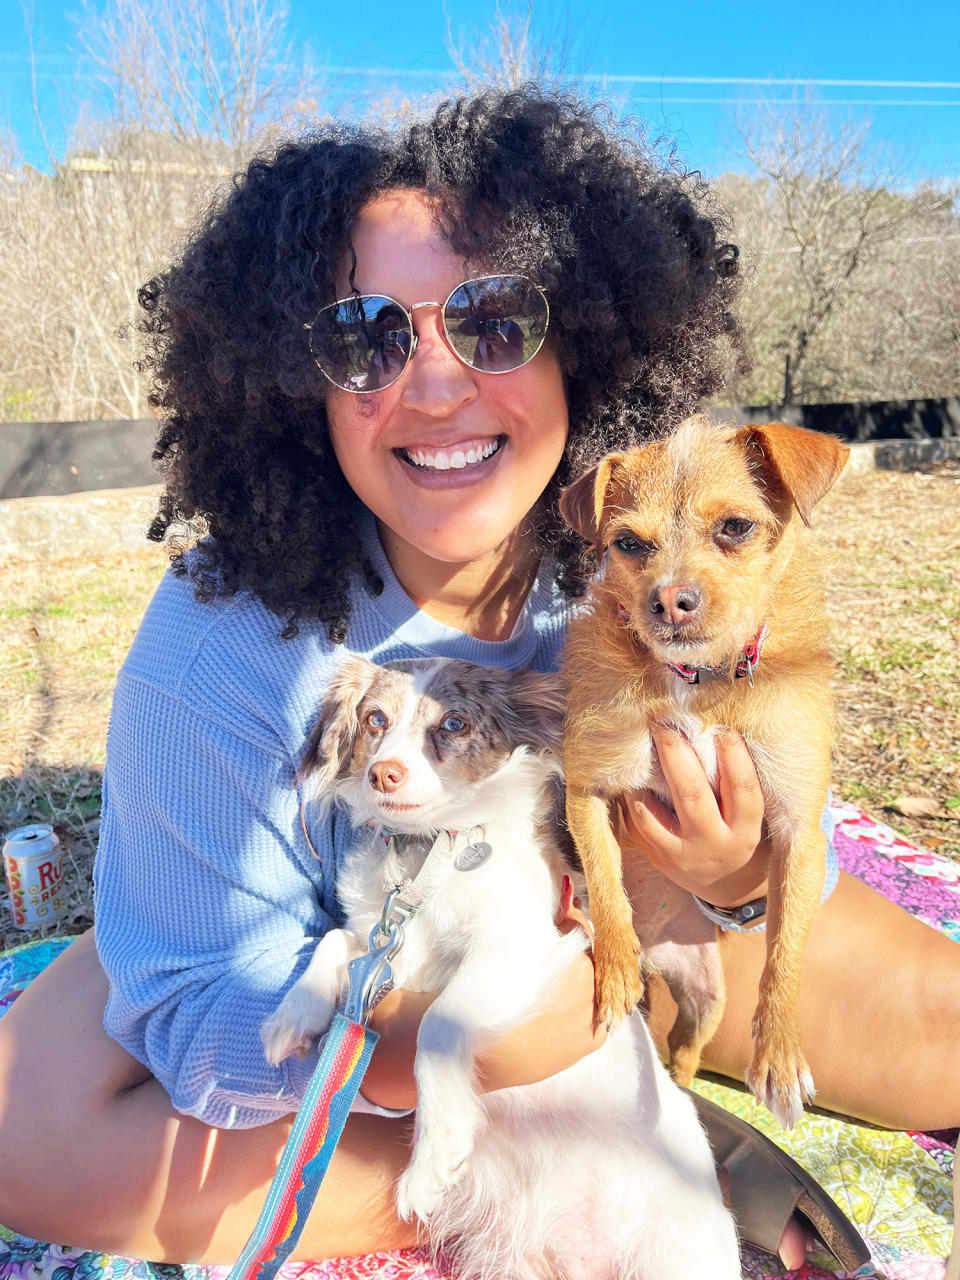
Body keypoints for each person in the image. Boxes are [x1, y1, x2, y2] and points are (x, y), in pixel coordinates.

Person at [0, 87, 956, 1271]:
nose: (439, 383)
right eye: (368, 336)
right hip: (351, 950)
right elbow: (199, 1013)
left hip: (614, 919)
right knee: (28, 1132)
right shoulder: (220, 647)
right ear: (299, 383)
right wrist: (472, 1045)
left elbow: (749, 821)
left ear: (586, 344)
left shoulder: (640, 547)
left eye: (497, 319)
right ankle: (592, 1152)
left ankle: (622, 1097)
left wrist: (730, 885)